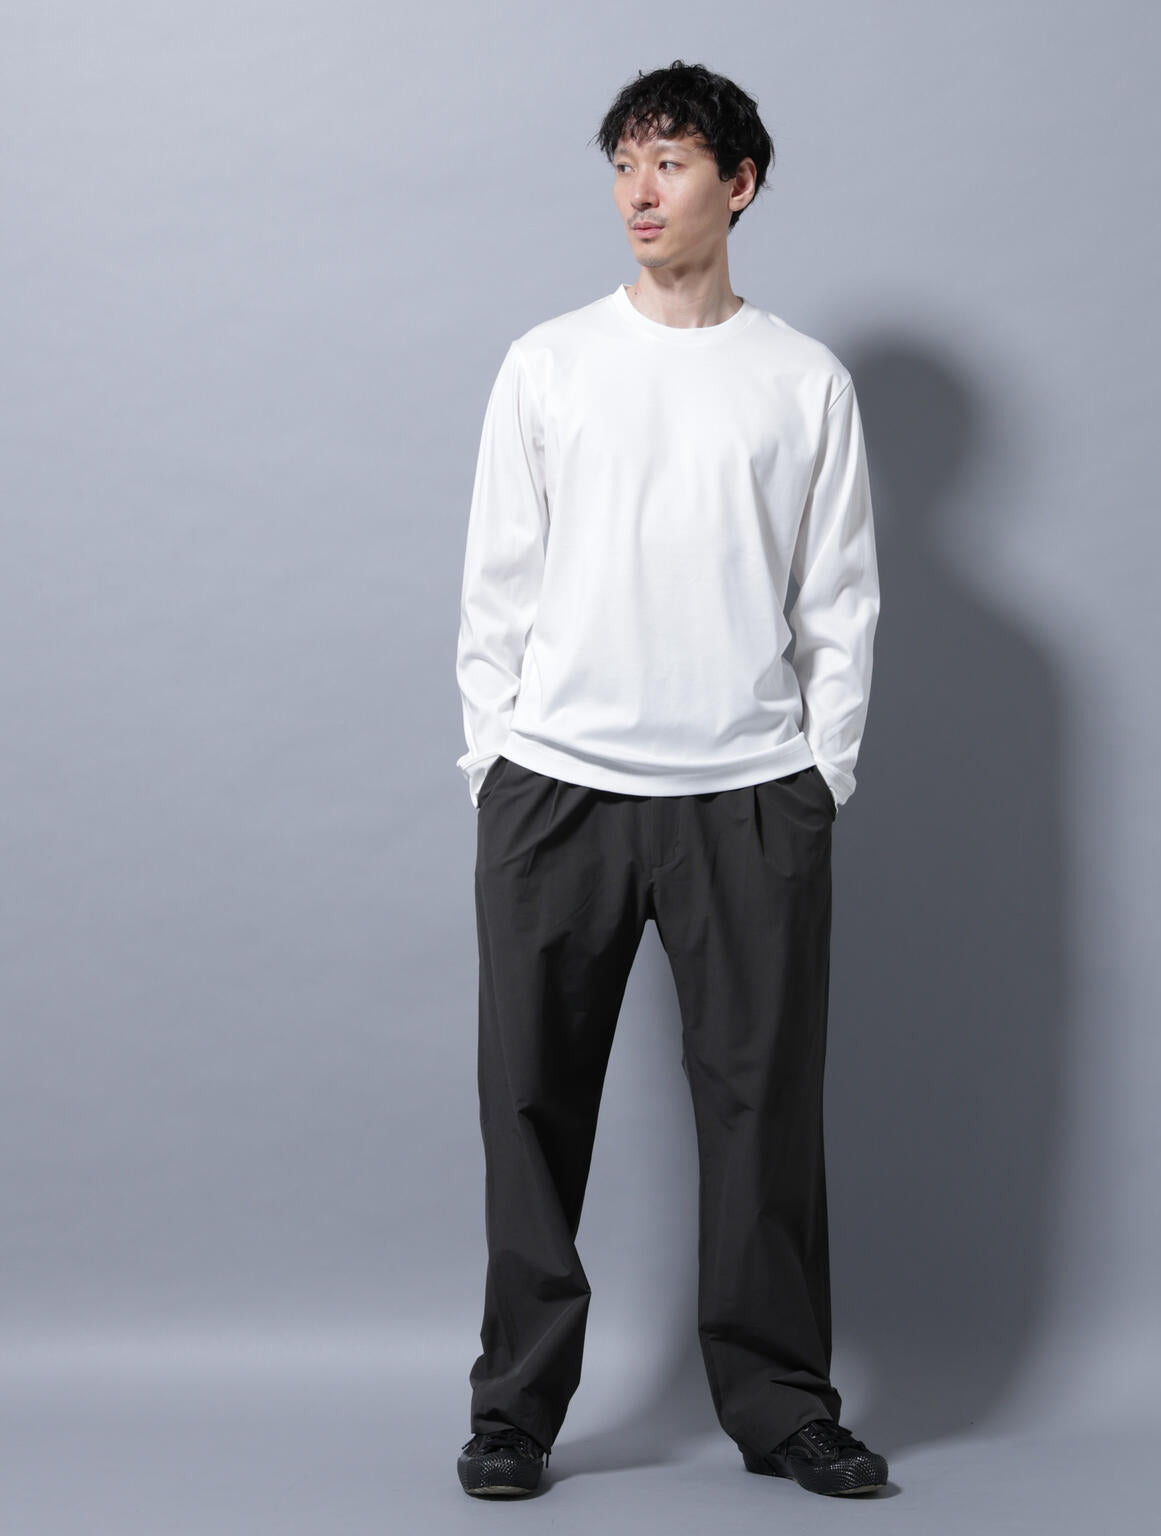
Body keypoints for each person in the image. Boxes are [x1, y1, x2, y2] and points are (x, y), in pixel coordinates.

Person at [454, 59, 886, 1500]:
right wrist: (494, 763)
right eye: (624, 164)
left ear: (739, 184)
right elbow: (496, 587)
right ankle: (514, 1411)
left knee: (765, 1113)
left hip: (750, 795)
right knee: (530, 1108)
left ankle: (782, 1405)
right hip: (557, 787)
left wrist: (818, 780)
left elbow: (840, 602)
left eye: (673, 162)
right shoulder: (548, 364)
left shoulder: (803, 381)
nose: (640, 192)